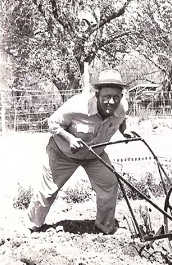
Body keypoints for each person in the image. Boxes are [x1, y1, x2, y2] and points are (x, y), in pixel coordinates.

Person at [26, 70, 138, 234]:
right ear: (97, 94)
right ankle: (32, 224)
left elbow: (121, 119)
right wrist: (70, 138)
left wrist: (125, 131)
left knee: (109, 184)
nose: (111, 101)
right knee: (48, 191)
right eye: (106, 96)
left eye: (116, 97)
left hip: (95, 155)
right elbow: (52, 123)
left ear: (121, 96)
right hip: (62, 154)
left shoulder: (122, 106)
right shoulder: (77, 105)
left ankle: (105, 228)